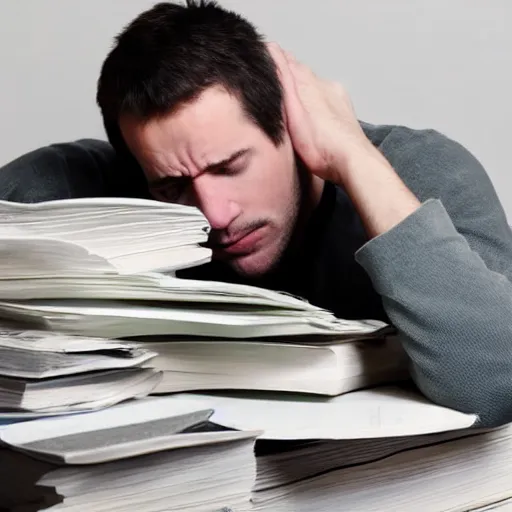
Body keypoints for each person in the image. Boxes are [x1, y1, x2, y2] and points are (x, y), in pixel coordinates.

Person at [1, 0, 512, 428]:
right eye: (174, 186)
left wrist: (354, 158)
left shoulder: (417, 173)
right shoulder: (105, 184)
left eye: (230, 166)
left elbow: (495, 385)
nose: (215, 215)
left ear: (289, 123)